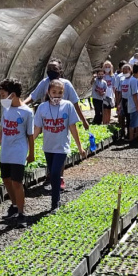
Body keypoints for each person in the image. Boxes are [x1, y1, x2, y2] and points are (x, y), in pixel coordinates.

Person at [0, 78, 34, 228]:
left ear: (12, 95)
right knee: (6, 180)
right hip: (6, 151)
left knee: (17, 182)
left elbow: (30, 135)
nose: (1, 98)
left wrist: (32, 153)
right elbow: (2, 131)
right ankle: (14, 205)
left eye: (3, 94)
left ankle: (21, 213)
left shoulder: (26, 112)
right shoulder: (6, 110)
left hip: (18, 152)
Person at [34, 80, 86, 211]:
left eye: (60, 92)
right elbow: (37, 129)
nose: (57, 95)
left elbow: (73, 127)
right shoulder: (42, 107)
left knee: (56, 172)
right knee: (52, 173)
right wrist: (28, 144)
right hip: (48, 147)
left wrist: (80, 147)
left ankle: (54, 202)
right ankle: (55, 200)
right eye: (54, 92)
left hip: (62, 147)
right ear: (49, 92)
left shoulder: (68, 106)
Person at [26, 58, 90, 130]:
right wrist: (22, 104)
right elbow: (33, 96)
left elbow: (75, 103)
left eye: (54, 68)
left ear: (60, 71)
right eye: (49, 68)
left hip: (62, 119)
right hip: (48, 120)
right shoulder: (44, 82)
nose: (51, 70)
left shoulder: (66, 84)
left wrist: (84, 121)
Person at [125, 63, 138, 144]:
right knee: (133, 123)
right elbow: (134, 94)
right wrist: (137, 106)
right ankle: (131, 139)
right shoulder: (133, 80)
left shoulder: (137, 80)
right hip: (134, 106)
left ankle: (137, 137)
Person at [116, 63, 131, 138]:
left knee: (129, 117)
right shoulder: (121, 78)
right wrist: (118, 102)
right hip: (123, 100)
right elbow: (119, 91)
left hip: (131, 100)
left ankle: (130, 133)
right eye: (124, 71)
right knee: (122, 116)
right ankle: (122, 132)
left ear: (130, 70)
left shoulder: (133, 79)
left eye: (126, 71)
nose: (125, 72)